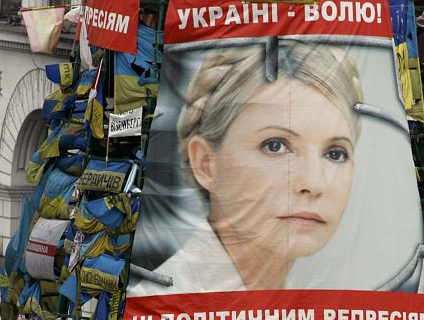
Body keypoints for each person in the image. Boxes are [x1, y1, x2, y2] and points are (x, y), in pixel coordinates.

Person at [132, 42, 365, 295]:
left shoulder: (310, 307)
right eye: (275, 146)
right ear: (206, 164)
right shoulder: (164, 311)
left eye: (335, 153)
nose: (313, 183)